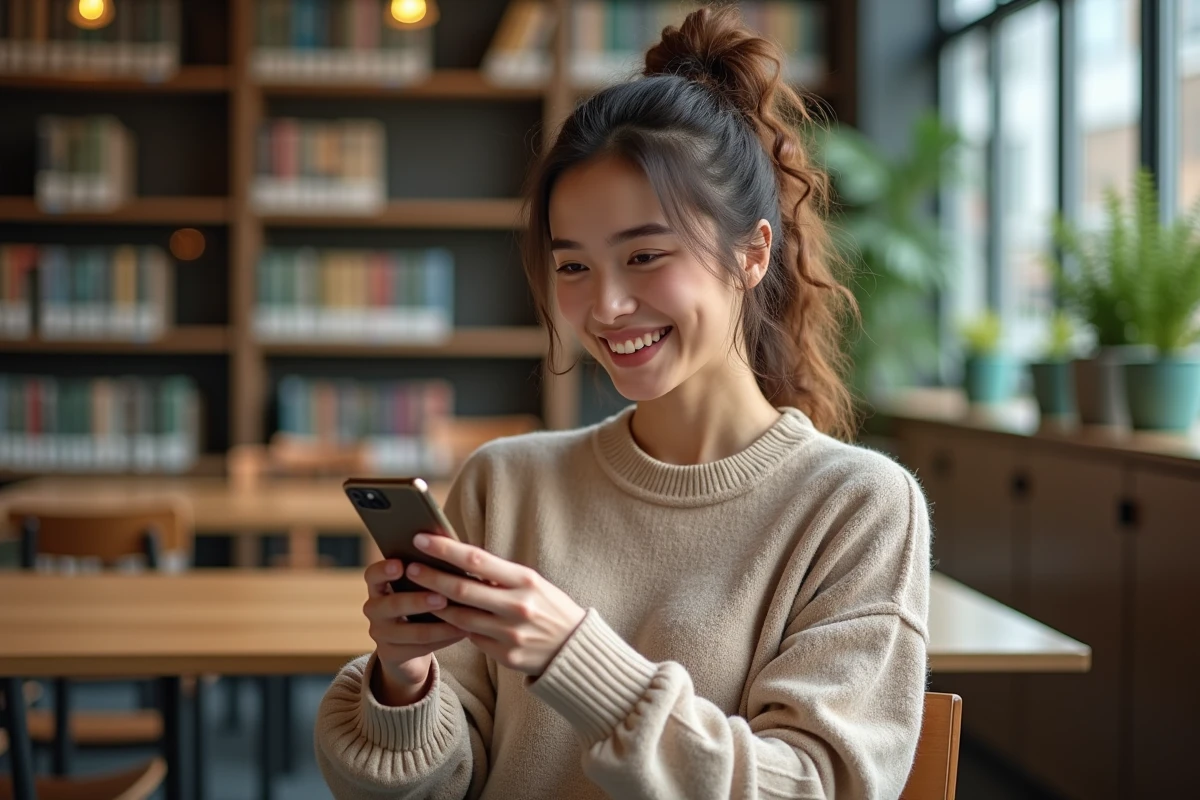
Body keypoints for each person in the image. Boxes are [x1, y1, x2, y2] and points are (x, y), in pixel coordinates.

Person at [314, 6, 931, 799]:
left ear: (752, 253)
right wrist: (404, 679)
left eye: (644, 256)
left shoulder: (857, 507)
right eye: (572, 267)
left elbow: (813, 787)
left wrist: (573, 655)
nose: (605, 307)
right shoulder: (504, 485)